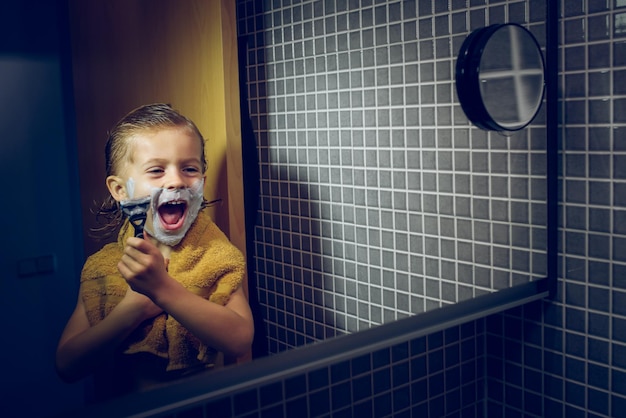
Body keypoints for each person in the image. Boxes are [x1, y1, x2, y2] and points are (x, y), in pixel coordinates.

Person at [56, 103, 254, 402]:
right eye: (156, 170)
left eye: (189, 168)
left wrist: (163, 290)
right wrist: (133, 308)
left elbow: (240, 340)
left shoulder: (217, 257)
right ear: (120, 190)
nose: (175, 181)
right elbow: (67, 365)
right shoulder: (104, 267)